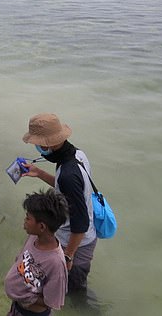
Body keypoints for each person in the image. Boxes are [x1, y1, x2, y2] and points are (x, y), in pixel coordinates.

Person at [21, 113, 97, 297]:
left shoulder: (68, 174)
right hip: (82, 238)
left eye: (37, 144)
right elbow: (65, 188)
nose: (37, 148)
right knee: (70, 290)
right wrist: (39, 172)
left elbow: (80, 223)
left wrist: (69, 256)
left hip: (77, 243)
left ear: (48, 144)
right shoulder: (77, 155)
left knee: (73, 295)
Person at [4, 189, 69, 316]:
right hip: (17, 307)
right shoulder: (34, 237)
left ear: (42, 227)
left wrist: (27, 297)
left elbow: (52, 301)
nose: (24, 221)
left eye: (28, 218)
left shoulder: (56, 263)